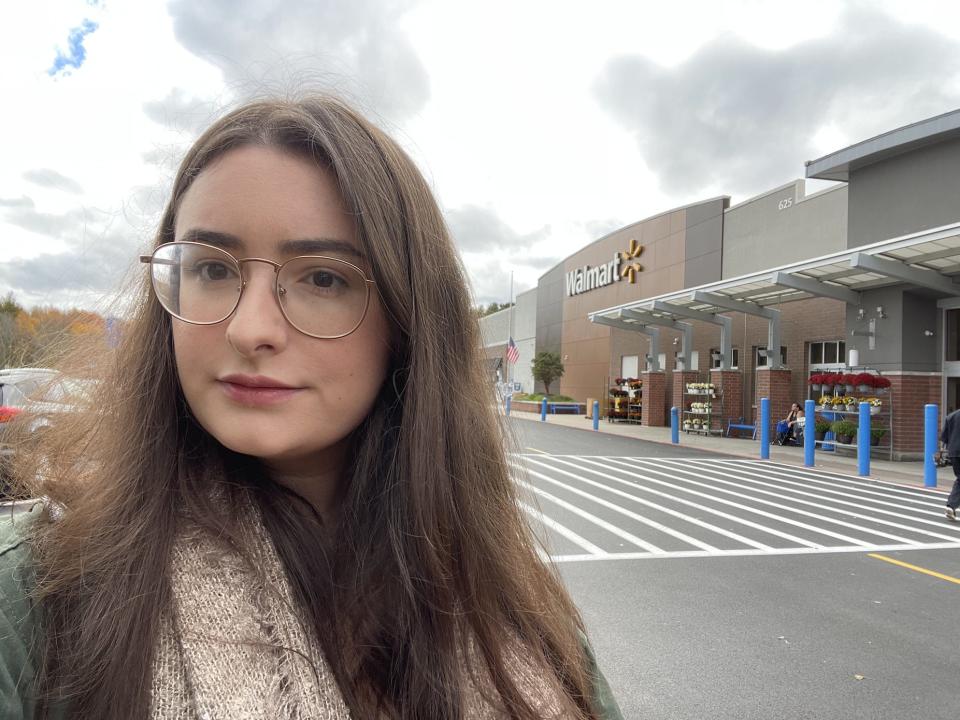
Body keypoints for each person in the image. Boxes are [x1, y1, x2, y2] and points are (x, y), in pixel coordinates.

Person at [0, 96, 623, 719]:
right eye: (212, 268)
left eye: (324, 278)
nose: (250, 330)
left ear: (408, 321)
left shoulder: (522, 619)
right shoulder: (38, 593)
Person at [940, 408, 960, 521]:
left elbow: (944, 438)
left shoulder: (951, 416)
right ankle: (951, 505)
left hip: (954, 453)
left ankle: (951, 506)